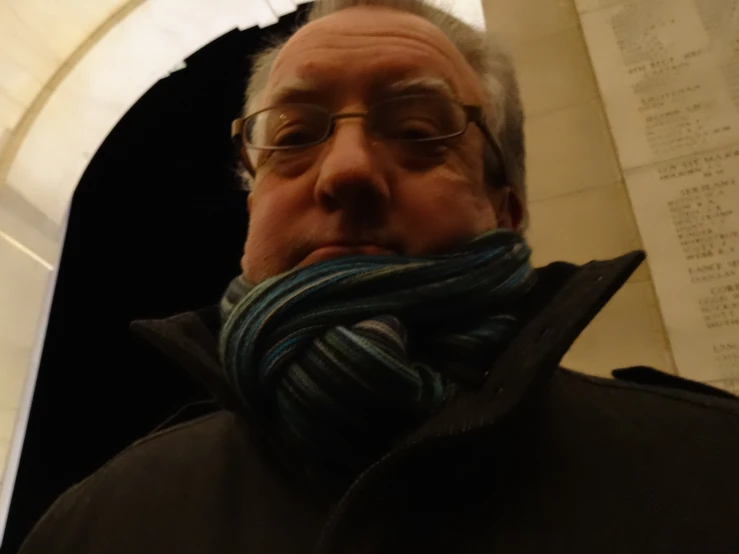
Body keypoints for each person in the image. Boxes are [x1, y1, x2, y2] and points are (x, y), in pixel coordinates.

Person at [19, 1, 739, 553]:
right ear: (252, 197)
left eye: (421, 133)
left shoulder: (714, 475)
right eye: (295, 136)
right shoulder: (92, 527)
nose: (348, 169)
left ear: (506, 206)